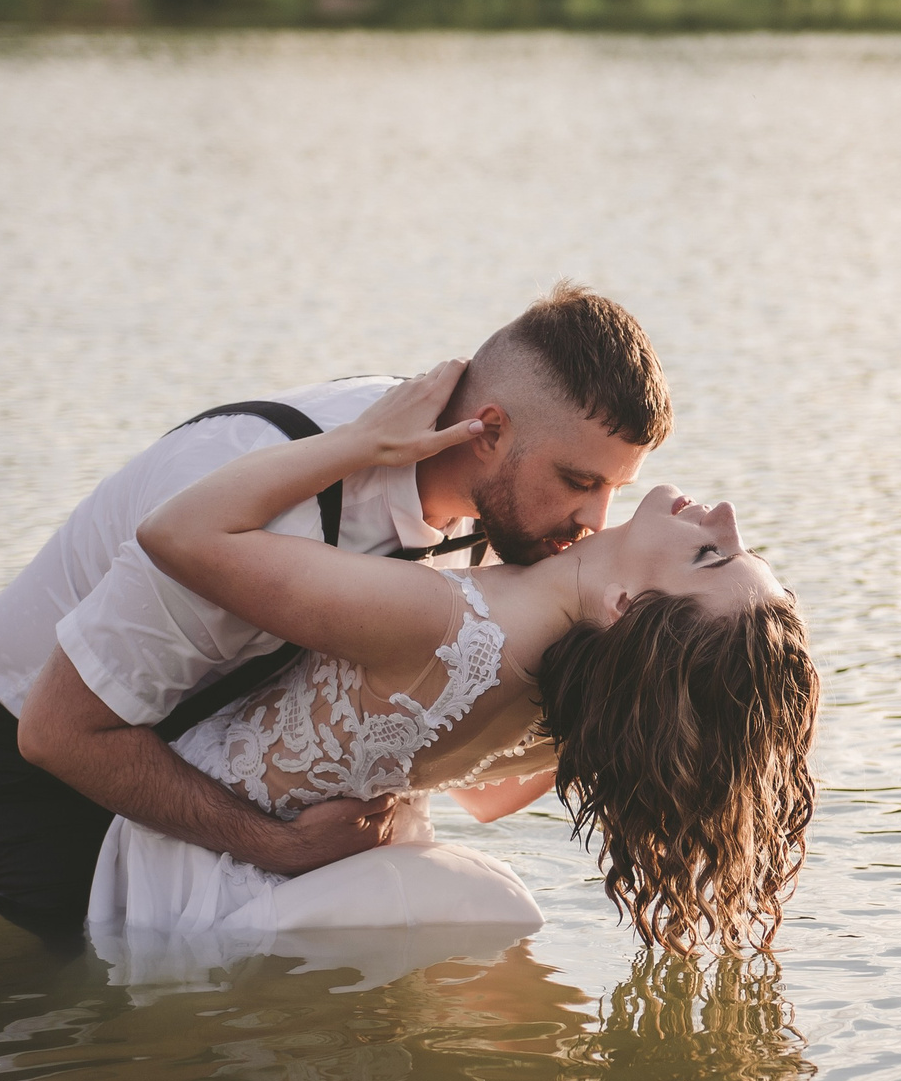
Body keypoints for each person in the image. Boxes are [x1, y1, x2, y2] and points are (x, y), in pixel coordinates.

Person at [0, 284, 671, 939]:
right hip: (26, 773)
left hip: (189, 749)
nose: (595, 521)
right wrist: (274, 845)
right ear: (490, 429)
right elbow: (54, 731)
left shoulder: (500, 517)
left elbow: (478, 789)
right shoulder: (273, 503)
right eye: (578, 480)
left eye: (614, 489)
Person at [91, 363, 821, 951]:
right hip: (317, 868)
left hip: (196, 861)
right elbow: (485, 795)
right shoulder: (564, 692)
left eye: (709, 555)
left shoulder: (443, 621)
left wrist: (362, 442)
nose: (726, 515)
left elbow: (180, 535)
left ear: (625, 604)